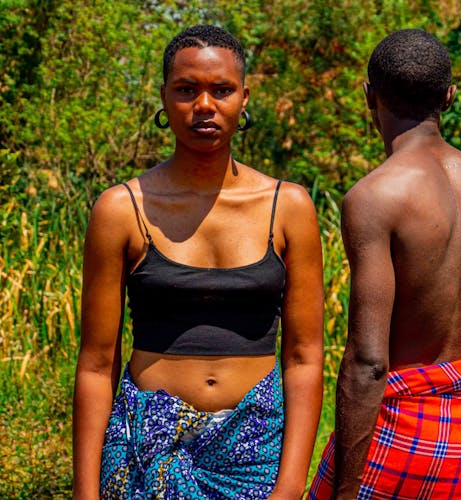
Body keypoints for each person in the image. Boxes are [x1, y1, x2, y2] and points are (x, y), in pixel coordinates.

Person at [72, 25, 324, 499]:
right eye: (186, 90)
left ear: (244, 98)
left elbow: (304, 356)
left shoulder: (288, 206)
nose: (204, 106)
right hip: (144, 450)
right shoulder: (122, 208)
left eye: (221, 90)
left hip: (254, 454)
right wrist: (85, 493)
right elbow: (95, 363)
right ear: (164, 98)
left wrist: (290, 484)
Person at [308, 29, 461, 499]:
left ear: (370, 95)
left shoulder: (373, 198)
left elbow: (368, 362)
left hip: (399, 436)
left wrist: (345, 492)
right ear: (449, 96)